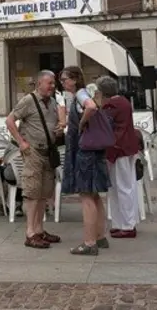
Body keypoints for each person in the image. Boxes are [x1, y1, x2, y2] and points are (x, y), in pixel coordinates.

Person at [6, 70, 61, 250]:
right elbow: (10, 120)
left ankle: (39, 229)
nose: (52, 86)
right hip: (33, 151)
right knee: (32, 192)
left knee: (44, 192)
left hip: (48, 152)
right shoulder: (29, 100)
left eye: (53, 83)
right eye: (49, 83)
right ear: (39, 84)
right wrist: (21, 142)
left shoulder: (53, 102)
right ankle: (30, 233)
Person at [58, 67, 109, 255]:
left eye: (64, 80)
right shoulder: (84, 93)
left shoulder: (80, 94)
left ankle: (89, 242)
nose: (62, 83)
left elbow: (91, 107)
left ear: (75, 79)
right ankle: (100, 235)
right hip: (92, 151)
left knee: (86, 195)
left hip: (84, 153)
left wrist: (80, 124)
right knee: (94, 195)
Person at [99, 75, 141, 240]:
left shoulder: (111, 105)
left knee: (122, 187)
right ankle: (120, 223)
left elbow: (107, 127)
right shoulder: (123, 102)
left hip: (118, 149)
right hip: (126, 148)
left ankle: (127, 224)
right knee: (119, 187)